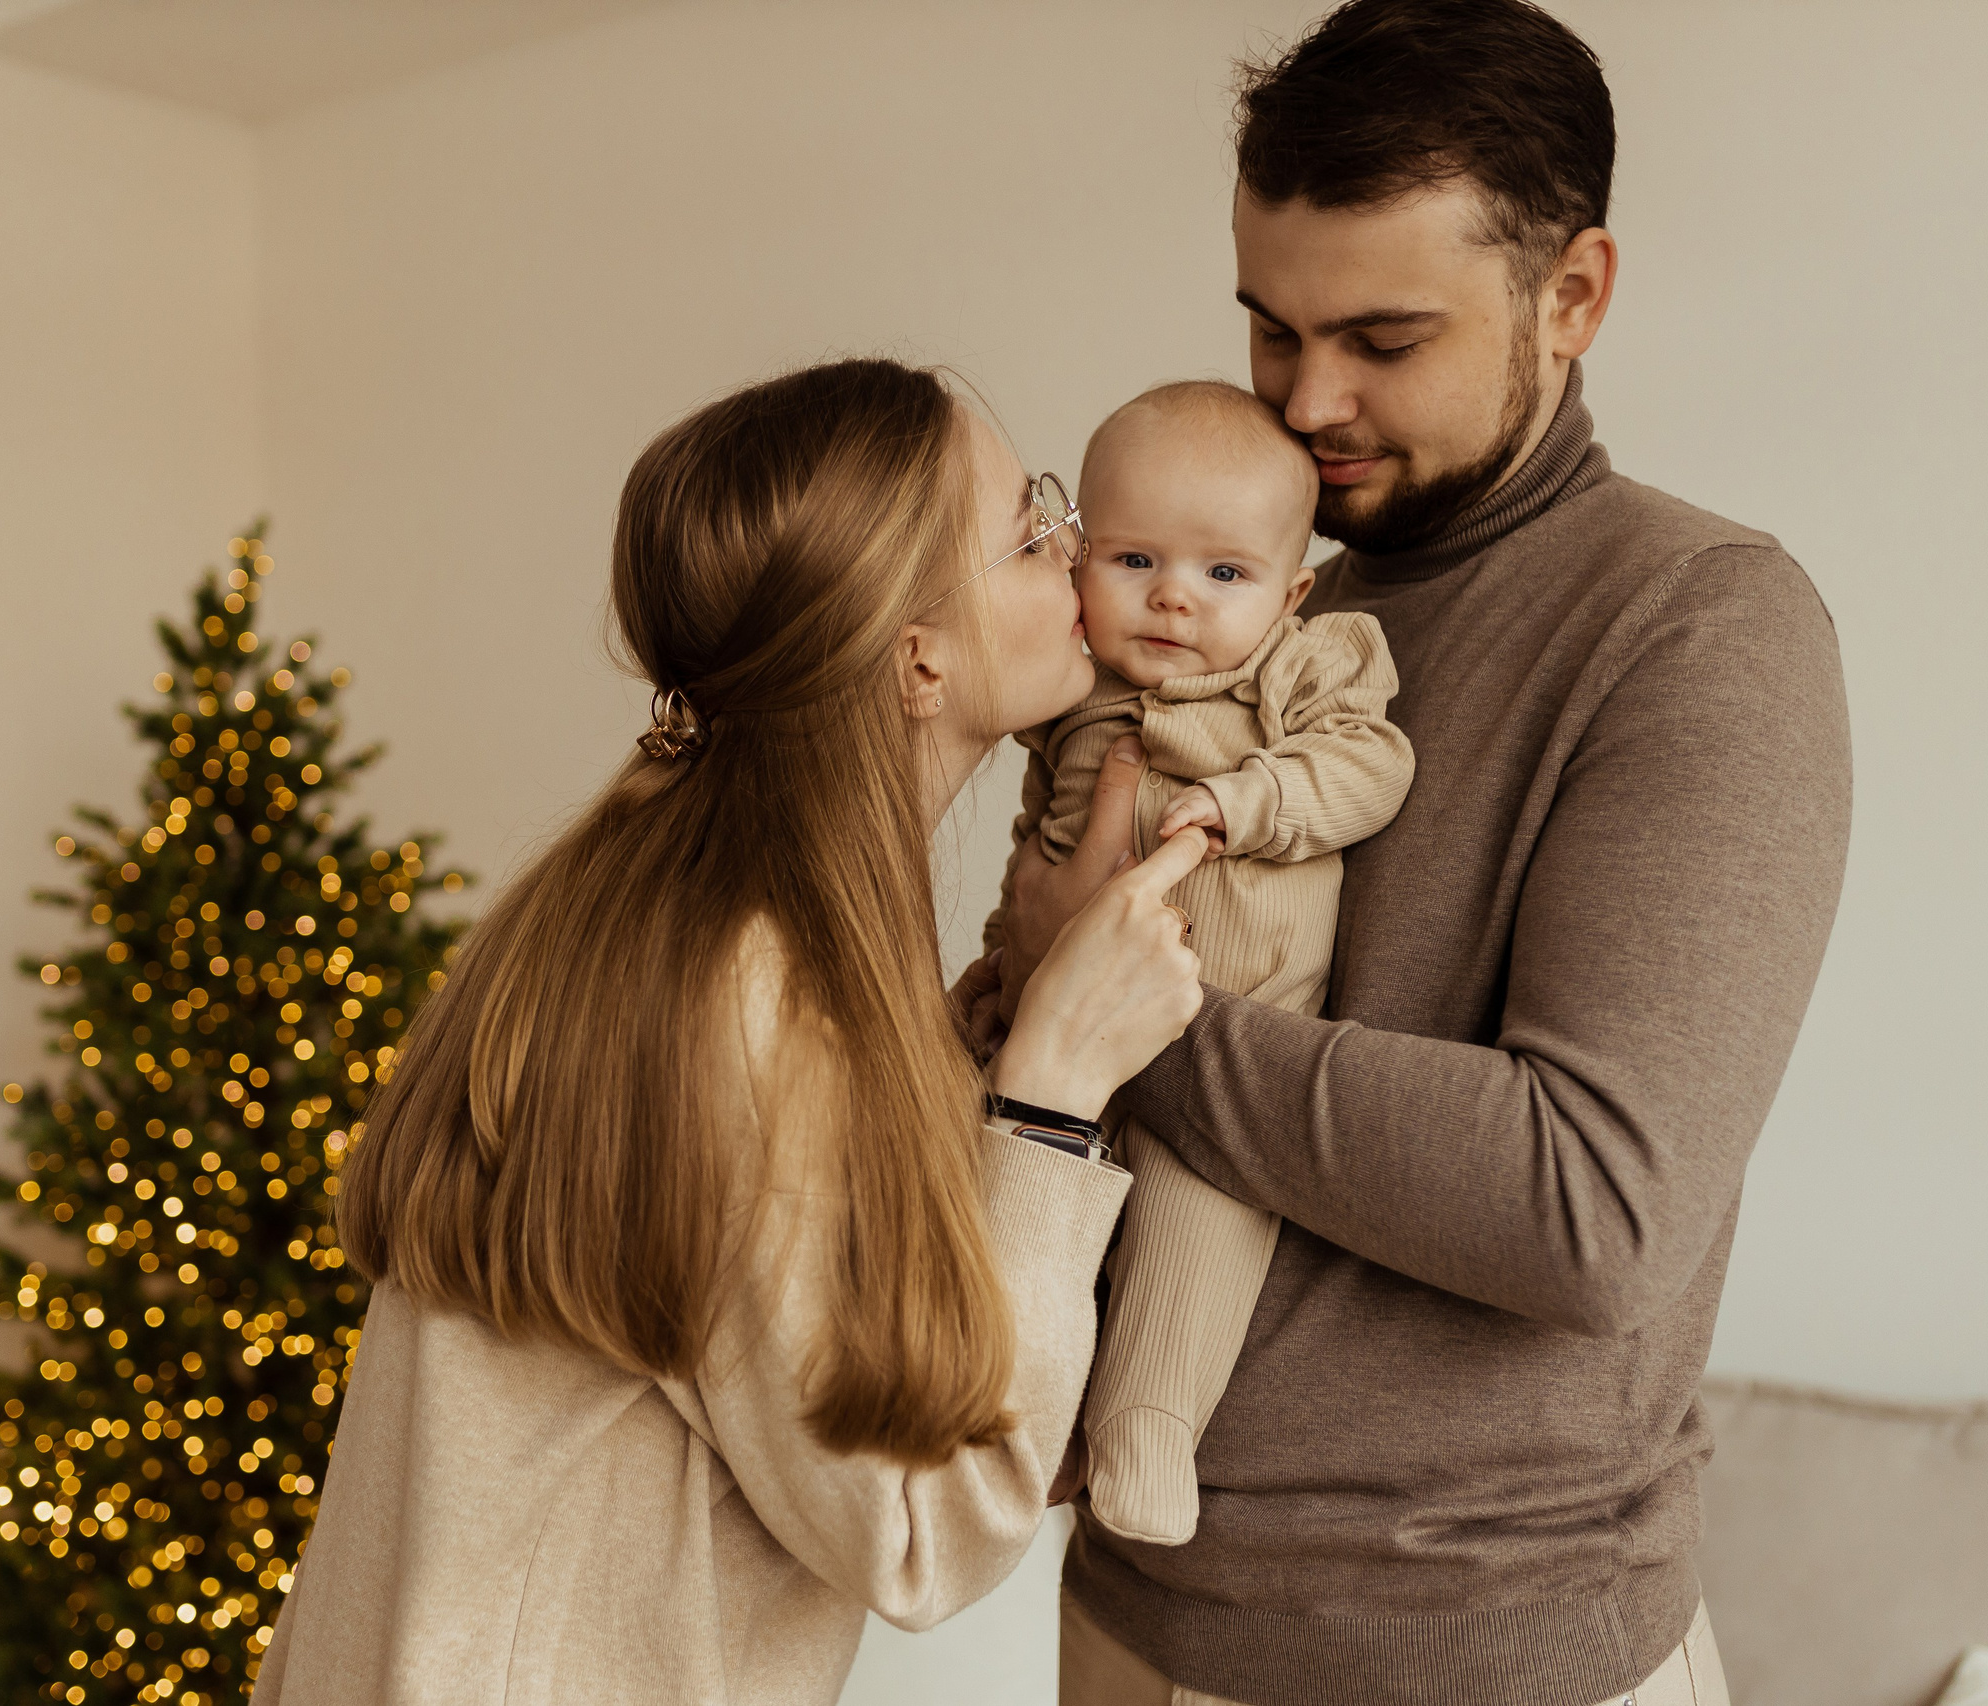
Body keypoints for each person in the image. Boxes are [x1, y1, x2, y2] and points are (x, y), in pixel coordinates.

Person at [992, 5, 1854, 1704]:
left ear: (1574, 296)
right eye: (1270, 329)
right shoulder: (1236, 585)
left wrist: (1087, 996)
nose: (1311, 404)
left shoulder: (1697, 626)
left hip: (1485, 1663)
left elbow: (1587, 1206)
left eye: (1384, 337)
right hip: (1123, 1615)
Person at [250, 357, 1210, 1704]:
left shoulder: (643, 902)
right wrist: (1052, 1098)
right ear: (916, 653)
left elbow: (725, 1305)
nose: (1079, 556)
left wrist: (957, 1071)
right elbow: (923, 1531)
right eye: (1029, 530)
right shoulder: (761, 1006)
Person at [979, 381, 1413, 1548]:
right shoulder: (1074, 695)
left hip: (1221, 1022)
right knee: (1013, 1203)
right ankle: (1036, 1413)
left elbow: (1370, 767)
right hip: (1062, 1020)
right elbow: (1041, 847)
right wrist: (995, 974)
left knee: (1192, 1216)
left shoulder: (1301, 666)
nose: (1173, 593)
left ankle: (1147, 1422)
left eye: (1224, 573)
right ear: (1076, 568)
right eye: (1132, 557)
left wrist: (1241, 800)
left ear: (1290, 591)